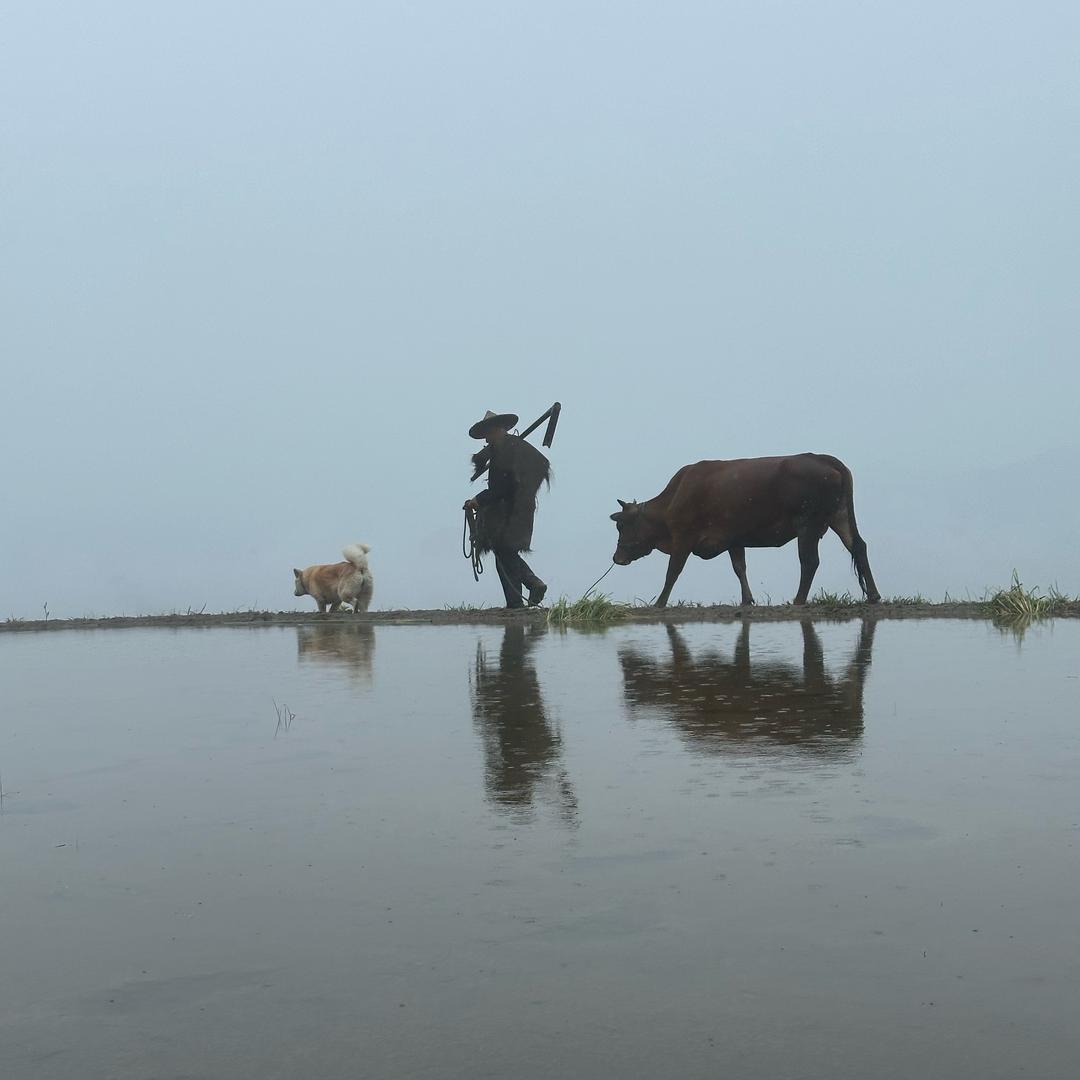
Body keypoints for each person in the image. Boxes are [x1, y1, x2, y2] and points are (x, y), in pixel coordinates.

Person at [464, 410, 549, 609]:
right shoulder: (506, 449)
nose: (486, 438)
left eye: (488, 433)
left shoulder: (508, 450)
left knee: (504, 553)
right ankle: (532, 584)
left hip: (511, 511)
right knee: (506, 552)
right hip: (515, 510)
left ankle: (516, 603)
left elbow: (501, 487)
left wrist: (478, 499)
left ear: (497, 430)